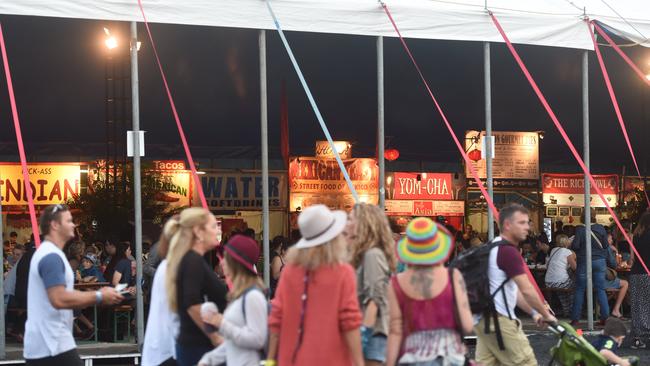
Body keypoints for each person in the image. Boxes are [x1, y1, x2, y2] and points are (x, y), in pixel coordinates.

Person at [24, 204, 123, 365]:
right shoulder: (51, 256)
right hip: (51, 343)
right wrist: (99, 296)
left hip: (50, 342)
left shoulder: (51, 254)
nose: (73, 224)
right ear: (55, 225)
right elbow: (59, 298)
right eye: (69, 221)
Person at [266, 204, 363, 366]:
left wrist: (270, 360)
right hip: (332, 359)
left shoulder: (289, 271)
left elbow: (276, 319)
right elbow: (350, 323)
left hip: (291, 359)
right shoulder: (343, 273)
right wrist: (359, 362)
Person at [474, 203, 556, 366]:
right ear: (507, 225)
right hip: (501, 321)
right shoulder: (508, 252)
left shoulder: (492, 247)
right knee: (526, 362)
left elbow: (512, 291)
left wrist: (533, 313)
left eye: (528, 222)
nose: (528, 227)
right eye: (522, 223)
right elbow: (526, 289)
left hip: (484, 320)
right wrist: (546, 315)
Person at [385, 217, 473, 366]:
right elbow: (467, 325)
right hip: (449, 358)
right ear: (438, 247)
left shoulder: (395, 283)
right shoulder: (452, 277)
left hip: (411, 359)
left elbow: (395, 331)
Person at [166, 207, 228, 366]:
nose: (217, 231)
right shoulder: (192, 261)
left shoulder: (194, 260)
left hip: (197, 345)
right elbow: (192, 303)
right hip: (198, 347)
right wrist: (215, 337)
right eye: (214, 226)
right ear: (198, 232)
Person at [199, 235, 268, 366]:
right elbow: (234, 345)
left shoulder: (253, 296)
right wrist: (209, 359)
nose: (221, 262)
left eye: (226, 258)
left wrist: (222, 323)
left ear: (236, 263)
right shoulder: (240, 295)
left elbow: (258, 339)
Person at [345, 203, 396, 366]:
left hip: (373, 333)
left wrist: (363, 335)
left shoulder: (373, 255)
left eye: (350, 219)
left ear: (362, 223)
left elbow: (375, 298)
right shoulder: (364, 254)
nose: (347, 223)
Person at [142, 216, 180, 366]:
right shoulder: (158, 247)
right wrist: (162, 274)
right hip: (159, 292)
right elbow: (146, 267)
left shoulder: (178, 247)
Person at [571, 209, 610, 326]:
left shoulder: (579, 229)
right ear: (594, 216)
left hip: (584, 261)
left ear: (582, 216)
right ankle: (605, 318)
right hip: (600, 261)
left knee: (580, 289)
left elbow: (575, 246)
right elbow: (606, 245)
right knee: (601, 289)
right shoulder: (601, 228)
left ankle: (575, 319)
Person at [629, 211, 650, 349]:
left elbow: (633, 258)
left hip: (636, 273)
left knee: (638, 306)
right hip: (648, 273)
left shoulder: (635, 236)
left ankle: (637, 338)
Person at [544, 234, 576, 317]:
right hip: (559, 281)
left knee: (561, 291)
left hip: (548, 281)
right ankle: (572, 310)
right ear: (567, 242)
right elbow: (575, 267)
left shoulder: (553, 250)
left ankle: (566, 310)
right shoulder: (567, 252)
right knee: (576, 288)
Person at [605, 232, 628, 319]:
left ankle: (615, 306)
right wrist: (616, 251)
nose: (612, 240)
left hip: (597, 278)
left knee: (620, 282)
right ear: (606, 240)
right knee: (625, 283)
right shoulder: (607, 248)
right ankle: (616, 309)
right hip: (605, 279)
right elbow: (614, 264)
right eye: (610, 239)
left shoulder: (597, 248)